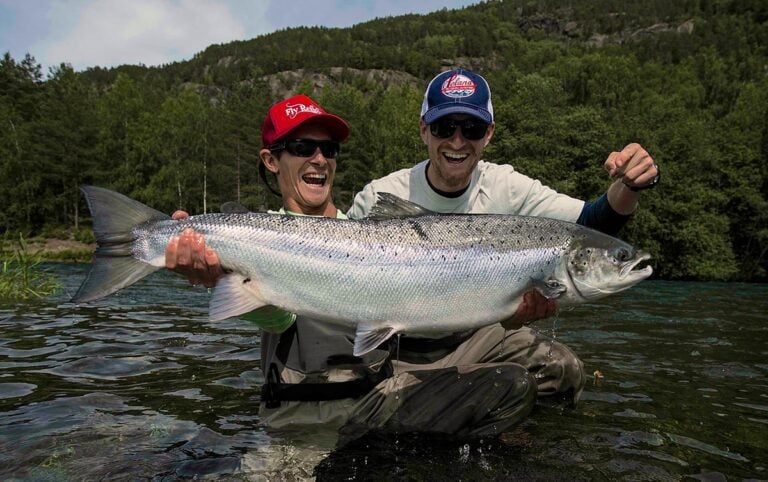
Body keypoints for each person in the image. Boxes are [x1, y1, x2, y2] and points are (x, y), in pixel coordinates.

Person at [166, 67, 659, 441]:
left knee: (552, 370)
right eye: (302, 147)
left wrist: (630, 186)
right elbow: (279, 319)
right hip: (340, 393)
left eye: (329, 151)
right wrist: (218, 277)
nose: (319, 159)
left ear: (488, 134)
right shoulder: (363, 204)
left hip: (403, 365)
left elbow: (594, 219)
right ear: (425, 131)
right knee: (504, 389)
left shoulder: (500, 190)